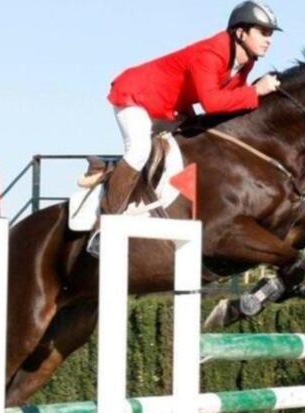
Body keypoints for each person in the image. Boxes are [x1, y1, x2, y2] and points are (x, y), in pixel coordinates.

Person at [87, 1, 282, 257]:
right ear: (240, 32)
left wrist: (253, 92)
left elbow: (232, 98)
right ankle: (103, 227)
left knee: (201, 138)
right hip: (136, 95)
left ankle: (116, 172)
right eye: (262, 32)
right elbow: (212, 102)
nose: (268, 40)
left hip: (170, 106)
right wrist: (256, 91)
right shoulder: (211, 53)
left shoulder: (246, 61)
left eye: (270, 34)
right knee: (139, 150)